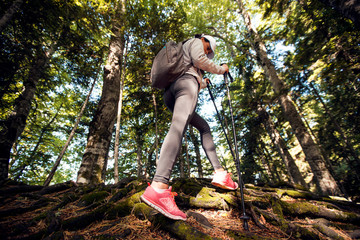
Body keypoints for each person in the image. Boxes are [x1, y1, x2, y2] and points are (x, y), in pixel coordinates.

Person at [141, 34, 238, 221]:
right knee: (178, 127)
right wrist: (221, 69)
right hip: (186, 85)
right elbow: (199, 61)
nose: (207, 51)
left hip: (171, 92)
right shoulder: (194, 42)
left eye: (209, 51)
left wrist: (202, 82)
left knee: (204, 127)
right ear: (203, 38)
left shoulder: (184, 53)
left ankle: (219, 173)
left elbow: (190, 68)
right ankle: (158, 187)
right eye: (208, 47)